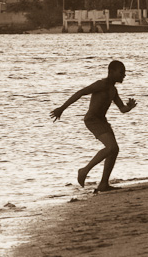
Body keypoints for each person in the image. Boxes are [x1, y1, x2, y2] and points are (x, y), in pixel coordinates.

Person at [50, 60, 137, 192]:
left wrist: (129, 107)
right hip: (92, 120)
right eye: (121, 73)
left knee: (115, 149)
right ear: (111, 72)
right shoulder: (100, 84)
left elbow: (122, 109)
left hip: (102, 120)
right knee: (111, 147)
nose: (123, 76)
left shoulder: (113, 90)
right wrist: (62, 108)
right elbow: (80, 93)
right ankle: (84, 171)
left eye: (124, 73)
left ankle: (103, 184)